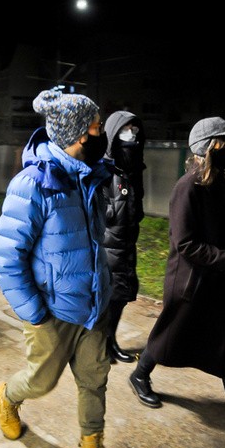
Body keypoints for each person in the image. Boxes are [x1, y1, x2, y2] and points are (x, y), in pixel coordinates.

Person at [0, 89, 139, 448]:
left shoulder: (88, 175)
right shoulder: (33, 184)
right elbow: (6, 258)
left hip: (93, 306)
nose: (100, 135)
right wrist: (34, 313)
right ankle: (7, 395)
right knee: (41, 382)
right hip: (51, 312)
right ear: (76, 134)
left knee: (95, 380)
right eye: (95, 128)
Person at [127, 116, 225, 448]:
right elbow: (185, 244)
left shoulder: (217, 184)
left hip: (216, 282)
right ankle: (140, 375)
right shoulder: (187, 187)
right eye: (223, 142)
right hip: (190, 285)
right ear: (206, 148)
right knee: (168, 337)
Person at [100, 111, 146, 363]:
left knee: (120, 297)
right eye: (126, 129)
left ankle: (110, 340)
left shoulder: (133, 168)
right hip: (107, 245)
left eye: (135, 129)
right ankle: (102, 344)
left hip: (126, 243)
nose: (132, 134)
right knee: (108, 298)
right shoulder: (104, 169)